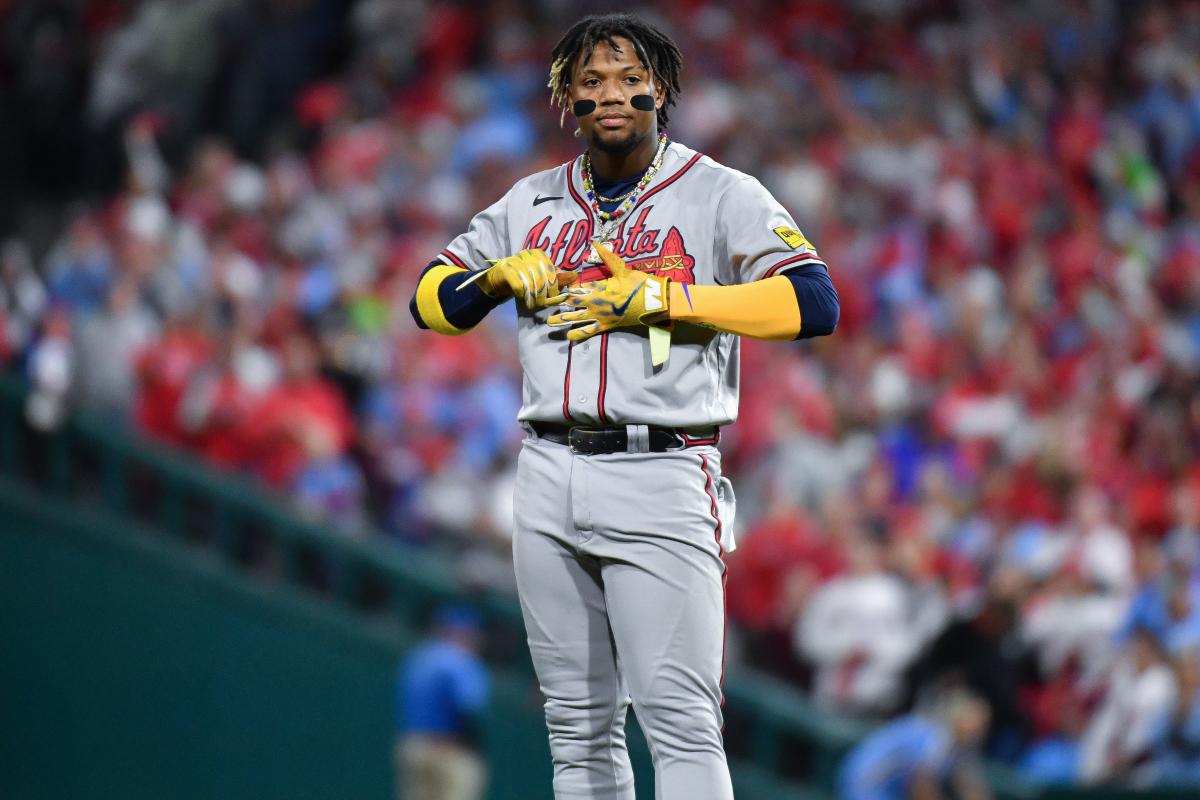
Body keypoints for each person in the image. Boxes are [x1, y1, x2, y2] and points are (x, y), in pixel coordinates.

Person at [409, 13, 838, 799]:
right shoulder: (532, 200)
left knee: (678, 722)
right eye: (591, 81)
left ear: (662, 90)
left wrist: (671, 300)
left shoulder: (718, 192)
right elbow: (430, 301)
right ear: (565, 98)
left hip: (663, 467)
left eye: (629, 78)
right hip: (546, 467)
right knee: (575, 730)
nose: (610, 94)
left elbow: (815, 301)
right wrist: (499, 278)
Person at [396, 605, 491, 800]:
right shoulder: (462, 661)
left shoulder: (418, 657)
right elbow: (468, 708)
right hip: (450, 751)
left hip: (414, 745)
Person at [837, 690, 992, 800]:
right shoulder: (935, 734)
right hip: (865, 785)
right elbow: (920, 787)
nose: (978, 729)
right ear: (959, 716)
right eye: (974, 720)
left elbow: (969, 786)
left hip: (888, 790)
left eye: (983, 724)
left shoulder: (959, 747)